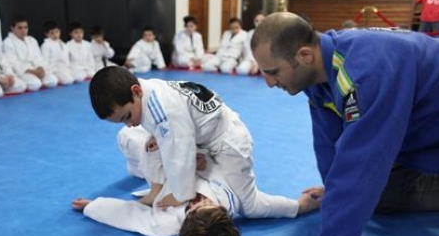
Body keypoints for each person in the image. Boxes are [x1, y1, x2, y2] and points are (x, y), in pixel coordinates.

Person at [250, 12, 439, 236]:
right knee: (374, 196)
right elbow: (329, 144)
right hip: (424, 122)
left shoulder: (365, 73)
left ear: (304, 55)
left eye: (273, 72)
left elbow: (362, 162)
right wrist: (333, 193)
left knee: (369, 189)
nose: (269, 82)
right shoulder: (321, 74)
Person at [72, 125, 323, 236]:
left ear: (183, 229)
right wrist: (305, 204)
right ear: (225, 217)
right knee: (131, 132)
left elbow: (129, 217)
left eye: (192, 209)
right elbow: (278, 206)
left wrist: (94, 207)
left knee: (129, 137)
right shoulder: (244, 199)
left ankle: (140, 165)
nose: (196, 202)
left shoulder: (166, 227)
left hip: (157, 171)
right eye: (204, 206)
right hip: (180, 154)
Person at [89, 66, 306, 222]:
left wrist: (179, 194)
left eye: (127, 116)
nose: (129, 124)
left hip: (230, 145)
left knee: (250, 206)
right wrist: (159, 134)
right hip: (206, 136)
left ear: (136, 91)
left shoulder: (162, 111)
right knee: (146, 141)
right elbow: (175, 123)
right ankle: (168, 181)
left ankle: (300, 206)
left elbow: (179, 155)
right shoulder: (148, 89)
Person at [2, 17, 58, 91]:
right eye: (20, 28)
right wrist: (33, 71)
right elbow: (14, 63)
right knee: (35, 84)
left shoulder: (31, 40)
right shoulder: (8, 42)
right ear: (12, 28)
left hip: (35, 68)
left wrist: (40, 68)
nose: (23, 30)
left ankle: (39, 79)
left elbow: (38, 57)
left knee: (53, 81)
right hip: (23, 71)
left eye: (25, 27)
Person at [41, 20, 86, 85]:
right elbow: (45, 62)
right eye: (52, 33)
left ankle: (63, 76)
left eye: (57, 32)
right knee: (68, 80)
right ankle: (54, 78)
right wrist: (50, 71)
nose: (55, 35)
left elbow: (67, 59)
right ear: (47, 34)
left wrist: (70, 67)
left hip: (65, 68)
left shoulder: (63, 43)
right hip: (54, 69)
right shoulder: (46, 45)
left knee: (80, 77)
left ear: (60, 31)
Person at [236, 11, 266, 76]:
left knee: (266, 74)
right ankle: (255, 68)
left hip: (265, 60)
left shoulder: (270, 33)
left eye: (262, 20)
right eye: (256, 21)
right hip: (251, 59)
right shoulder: (250, 33)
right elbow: (248, 49)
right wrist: (253, 62)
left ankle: (258, 69)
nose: (259, 23)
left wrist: (258, 63)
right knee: (241, 70)